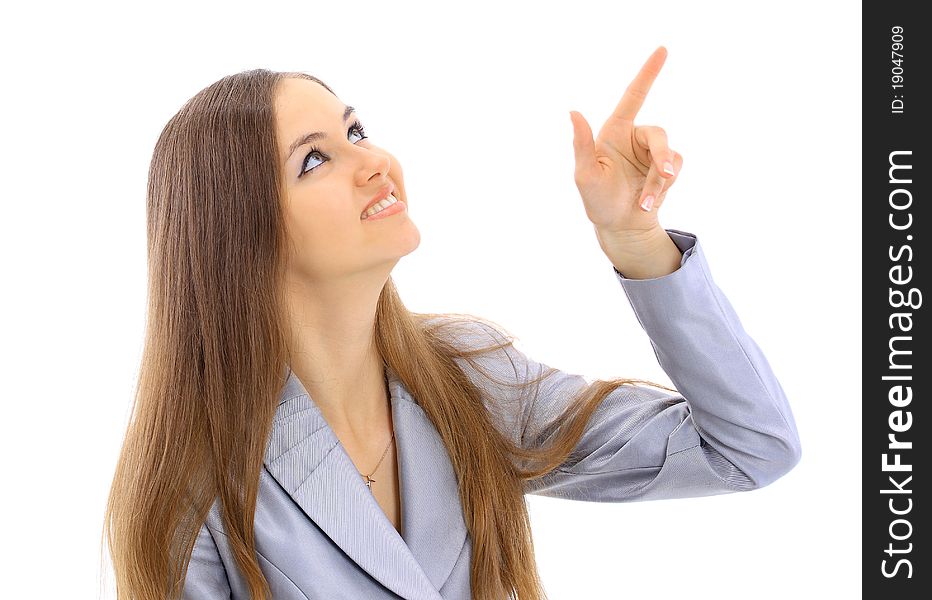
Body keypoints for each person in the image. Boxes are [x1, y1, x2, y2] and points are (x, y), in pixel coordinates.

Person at [102, 46, 802, 600]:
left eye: (357, 130)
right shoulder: (192, 478)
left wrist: (637, 242)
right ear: (239, 232)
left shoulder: (464, 378)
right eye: (315, 159)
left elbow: (750, 446)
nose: (372, 161)